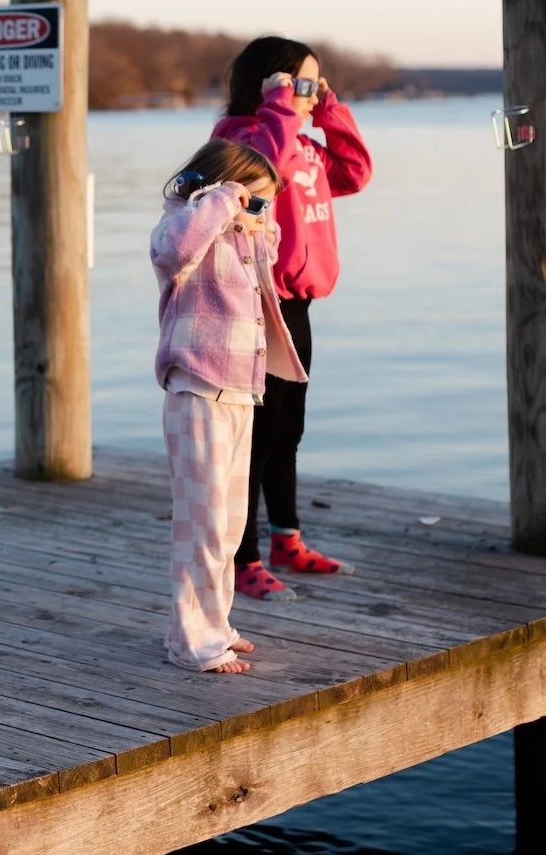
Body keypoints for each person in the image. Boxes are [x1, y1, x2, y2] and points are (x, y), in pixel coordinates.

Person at [211, 36, 373, 601]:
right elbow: (259, 172)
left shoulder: (304, 145)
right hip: (258, 308)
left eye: (316, 85)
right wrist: (281, 107)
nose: (311, 95)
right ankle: (242, 556)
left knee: (287, 433)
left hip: (299, 308)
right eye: (304, 84)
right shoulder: (238, 141)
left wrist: (329, 110)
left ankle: (287, 539)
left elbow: (354, 172)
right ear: (271, 85)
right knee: (256, 437)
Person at [150, 139, 306, 673]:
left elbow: (273, 262)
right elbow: (175, 252)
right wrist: (219, 203)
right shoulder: (181, 228)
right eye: (253, 200)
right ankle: (193, 642)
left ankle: (212, 625)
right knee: (203, 523)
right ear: (222, 191)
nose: (258, 213)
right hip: (197, 390)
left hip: (242, 392)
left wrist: (256, 221)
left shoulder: (238, 236)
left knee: (230, 522)